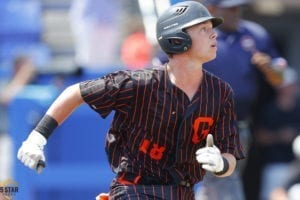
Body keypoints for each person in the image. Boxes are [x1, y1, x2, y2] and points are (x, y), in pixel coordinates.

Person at [17, 1, 244, 199]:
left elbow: (230, 154)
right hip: (134, 189)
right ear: (178, 39)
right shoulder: (140, 83)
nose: (214, 33)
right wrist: (37, 137)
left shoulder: (220, 92)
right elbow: (75, 92)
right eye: (203, 29)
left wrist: (220, 163)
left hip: (183, 193)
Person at [194, 0, 286, 199]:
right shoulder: (198, 34)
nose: (236, 12)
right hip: (205, 124)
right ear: (212, 9)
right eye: (230, 8)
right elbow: (166, 68)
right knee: (221, 180)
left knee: (223, 180)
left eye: (238, 8)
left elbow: (280, 78)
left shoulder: (254, 34)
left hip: (240, 125)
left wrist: (269, 68)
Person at [254, 67, 300, 200]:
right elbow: (259, 137)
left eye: (292, 84)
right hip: (275, 165)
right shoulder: (269, 110)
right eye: (286, 85)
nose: (290, 88)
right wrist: (280, 136)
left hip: (297, 165)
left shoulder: (298, 109)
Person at [0, 56, 36, 181]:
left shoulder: (37, 85)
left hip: (33, 142)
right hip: (8, 139)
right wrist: (24, 75)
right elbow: (6, 98)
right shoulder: (7, 83)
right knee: (6, 183)